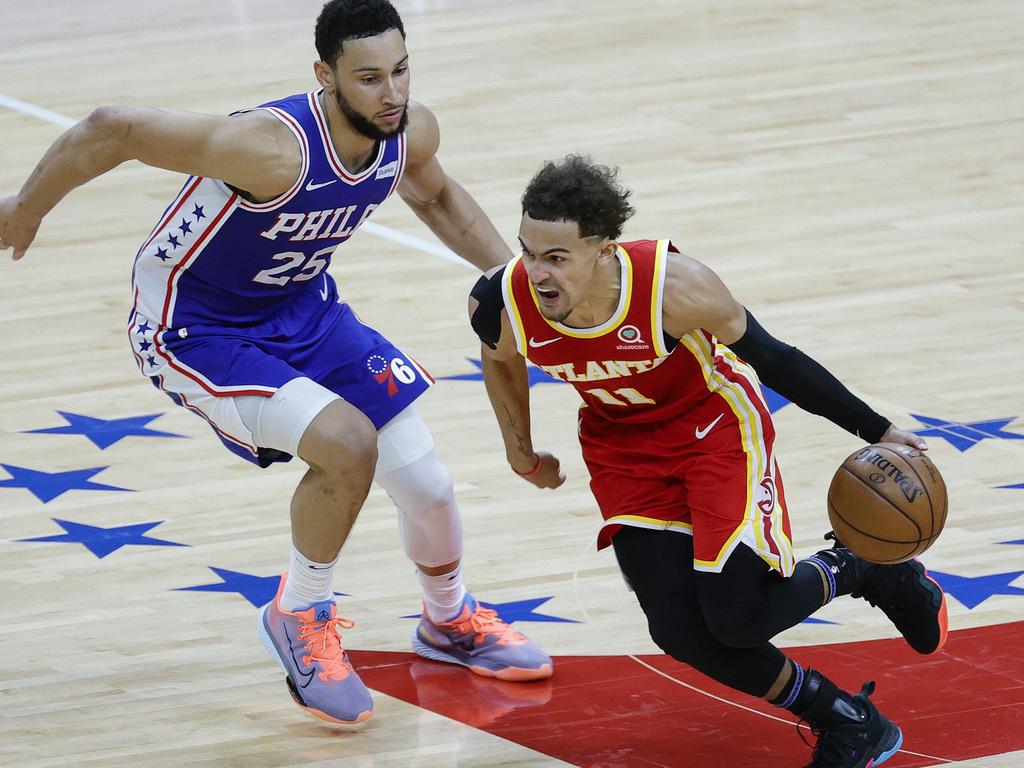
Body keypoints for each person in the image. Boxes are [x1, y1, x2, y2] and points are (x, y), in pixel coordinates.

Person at [0, 0, 552, 727]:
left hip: (304, 310)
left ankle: (447, 621)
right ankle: (300, 611)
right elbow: (114, 127)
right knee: (347, 446)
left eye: (401, 71)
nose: (391, 94)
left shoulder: (407, 130)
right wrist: (26, 208)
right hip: (194, 329)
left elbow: (439, 196)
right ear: (325, 76)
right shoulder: (269, 148)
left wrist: (520, 284)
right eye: (368, 78)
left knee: (427, 482)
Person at [469, 155, 947, 767]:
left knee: (738, 618)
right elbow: (501, 358)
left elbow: (776, 358)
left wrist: (876, 428)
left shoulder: (673, 288)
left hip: (713, 432)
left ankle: (858, 567)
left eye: (556, 258)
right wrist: (520, 449)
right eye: (528, 250)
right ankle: (848, 720)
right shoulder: (504, 299)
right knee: (677, 631)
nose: (535, 271)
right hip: (623, 451)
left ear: (605, 249)